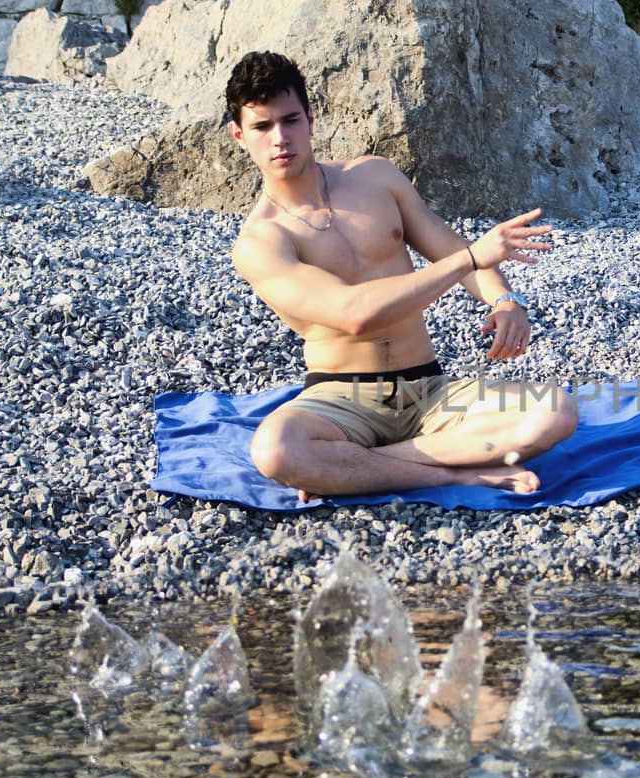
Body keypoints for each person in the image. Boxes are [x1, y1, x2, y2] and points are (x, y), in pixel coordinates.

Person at [225, 51, 577, 499]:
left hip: (428, 390)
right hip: (340, 403)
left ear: (311, 119)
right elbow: (354, 314)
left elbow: (449, 246)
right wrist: (471, 259)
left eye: (290, 120)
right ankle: (454, 470)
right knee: (276, 452)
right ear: (240, 135)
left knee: (556, 412)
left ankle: (359, 468)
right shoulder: (261, 240)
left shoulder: (376, 177)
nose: (280, 138)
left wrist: (505, 301)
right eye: (262, 126)